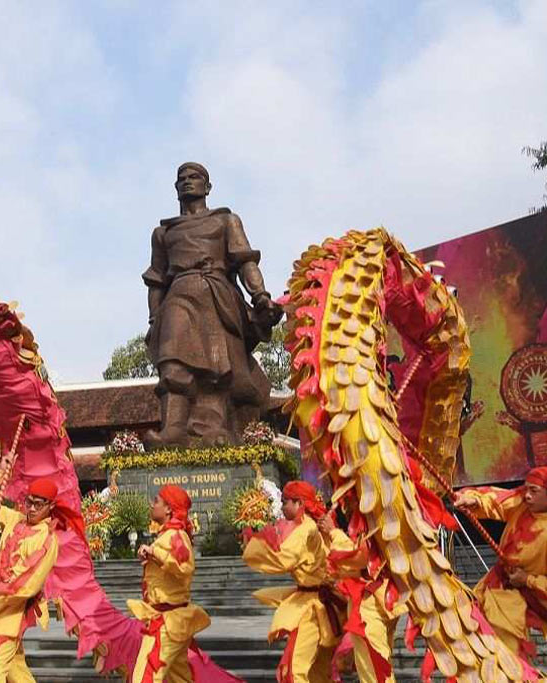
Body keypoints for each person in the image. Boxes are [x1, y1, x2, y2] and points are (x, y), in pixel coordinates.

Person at [142, 162, 282, 448]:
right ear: (176, 189)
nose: (187, 182)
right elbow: (156, 280)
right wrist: (155, 320)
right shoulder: (163, 233)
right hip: (178, 295)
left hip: (217, 295)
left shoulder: (225, 221)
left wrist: (260, 296)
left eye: (195, 177)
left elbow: (245, 261)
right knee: (172, 360)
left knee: (220, 373)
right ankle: (173, 429)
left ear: (207, 187)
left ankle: (217, 429)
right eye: (181, 179)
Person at [242, 480, 342, 683]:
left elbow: (283, 559)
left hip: (311, 608)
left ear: (299, 503)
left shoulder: (305, 528)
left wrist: (252, 546)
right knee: (319, 670)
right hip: (323, 603)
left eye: (285, 501)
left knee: (296, 669)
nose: (282, 506)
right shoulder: (316, 525)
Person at [0, 472, 68, 683]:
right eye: (29, 502)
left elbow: (28, 584)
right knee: (16, 670)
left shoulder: (47, 539)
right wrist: (0, 475)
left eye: (38, 504)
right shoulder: (14, 519)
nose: (31, 508)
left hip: (12, 609)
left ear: (50, 506)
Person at [453, 467, 547, 661]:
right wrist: (474, 499)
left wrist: (527, 580)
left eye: (534, 491)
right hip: (497, 585)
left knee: (507, 656)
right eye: (527, 489)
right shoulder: (523, 503)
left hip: (525, 595)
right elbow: (499, 499)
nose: (527, 496)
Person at [130, 485, 211, 682]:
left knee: (145, 677)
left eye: (156, 501)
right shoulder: (168, 535)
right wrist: (151, 556)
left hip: (167, 621)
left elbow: (184, 567)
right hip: (169, 618)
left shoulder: (176, 535)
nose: (152, 504)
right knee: (180, 677)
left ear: (168, 509)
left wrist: (155, 554)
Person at [316, 512, 405, 682]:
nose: (348, 505)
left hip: (372, 603)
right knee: (379, 665)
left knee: (375, 668)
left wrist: (333, 532)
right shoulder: (383, 516)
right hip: (383, 598)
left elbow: (358, 558)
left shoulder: (376, 519)